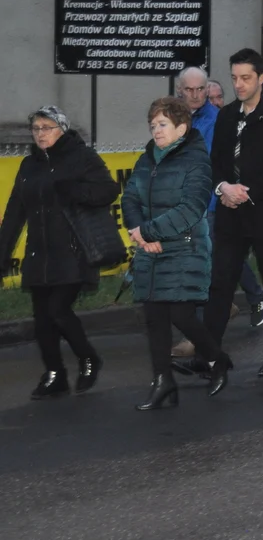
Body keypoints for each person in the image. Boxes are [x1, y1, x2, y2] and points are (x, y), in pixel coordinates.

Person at [185, 48, 263, 378]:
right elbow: (217, 162)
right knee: (219, 284)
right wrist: (223, 188)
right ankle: (209, 356)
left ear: (261, 78)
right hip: (230, 214)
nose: (239, 84)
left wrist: (244, 191)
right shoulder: (227, 115)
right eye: (235, 78)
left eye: (246, 78)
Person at [0, 106, 119, 400]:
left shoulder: (82, 158)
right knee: (42, 318)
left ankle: (88, 357)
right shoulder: (29, 165)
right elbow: (15, 212)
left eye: (47, 127)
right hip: (39, 253)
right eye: (36, 128)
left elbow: (108, 190)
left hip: (73, 249)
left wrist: (75, 191)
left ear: (62, 129)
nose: (40, 134)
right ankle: (55, 375)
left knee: (58, 311)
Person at [122, 97, 232, 410]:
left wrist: (148, 232)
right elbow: (130, 197)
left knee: (181, 314)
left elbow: (192, 208)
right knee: (154, 315)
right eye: (153, 125)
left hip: (185, 245)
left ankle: (216, 360)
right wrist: (140, 232)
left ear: (181, 128)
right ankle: (163, 382)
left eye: (162, 124)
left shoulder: (196, 161)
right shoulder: (148, 158)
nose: (155, 130)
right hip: (151, 246)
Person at [174, 67, 263, 353]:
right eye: (189, 90)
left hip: (211, 205)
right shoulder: (172, 117)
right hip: (183, 206)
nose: (195, 95)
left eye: (200, 89)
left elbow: (214, 164)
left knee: (205, 268)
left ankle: (199, 336)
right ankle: (234, 304)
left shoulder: (218, 121)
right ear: (180, 91)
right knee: (202, 266)